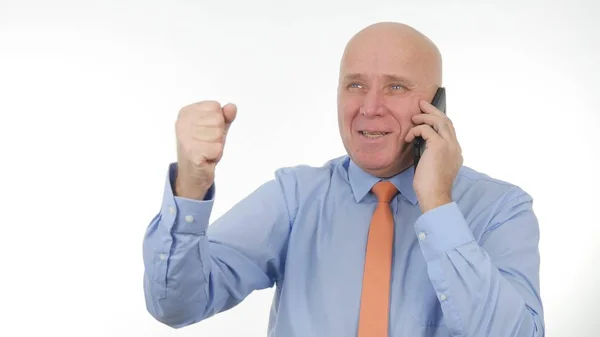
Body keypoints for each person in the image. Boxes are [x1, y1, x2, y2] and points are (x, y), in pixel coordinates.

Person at [142, 21, 545, 336]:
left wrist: (438, 203)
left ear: (437, 105)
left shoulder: (500, 209)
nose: (370, 108)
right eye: (355, 85)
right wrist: (191, 185)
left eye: (396, 87)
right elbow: (175, 305)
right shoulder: (295, 198)